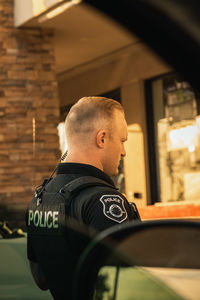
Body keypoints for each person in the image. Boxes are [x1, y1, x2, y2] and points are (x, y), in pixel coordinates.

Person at [26, 96, 141, 299]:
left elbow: (40, 279)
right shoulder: (103, 200)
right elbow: (128, 285)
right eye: (122, 141)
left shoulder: (40, 199)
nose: (123, 152)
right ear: (102, 138)